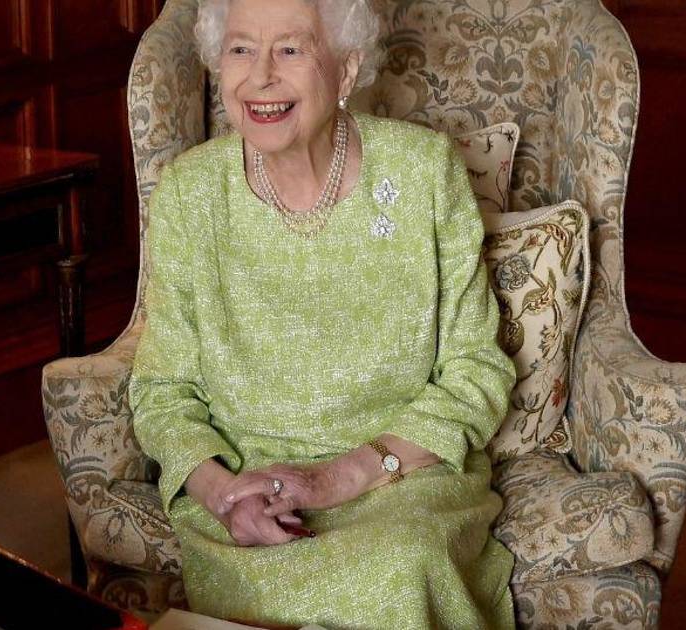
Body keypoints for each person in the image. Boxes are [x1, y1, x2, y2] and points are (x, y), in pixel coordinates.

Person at [129, 0, 517, 627]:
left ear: (345, 70)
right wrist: (223, 494)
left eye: (291, 49)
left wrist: (339, 477)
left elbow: (476, 371)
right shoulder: (189, 193)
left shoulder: (422, 171)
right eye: (240, 49)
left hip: (400, 476)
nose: (260, 76)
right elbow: (161, 391)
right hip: (248, 485)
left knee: (401, 568)